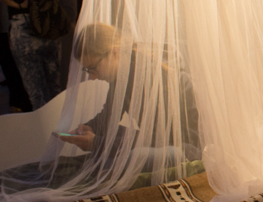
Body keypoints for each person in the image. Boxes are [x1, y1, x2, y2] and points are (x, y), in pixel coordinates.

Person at [60, 23, 201, 172]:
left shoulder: (151, 77)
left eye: (93, 68)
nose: (92, 77)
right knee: (106, 160)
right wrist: (89, 128)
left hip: (183, 148)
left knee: (125, 160)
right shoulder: (122, 79)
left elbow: (154, 138)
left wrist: (97, 143)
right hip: (158, 143)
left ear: (114, 53)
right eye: (88, 70)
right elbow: (110, 115)